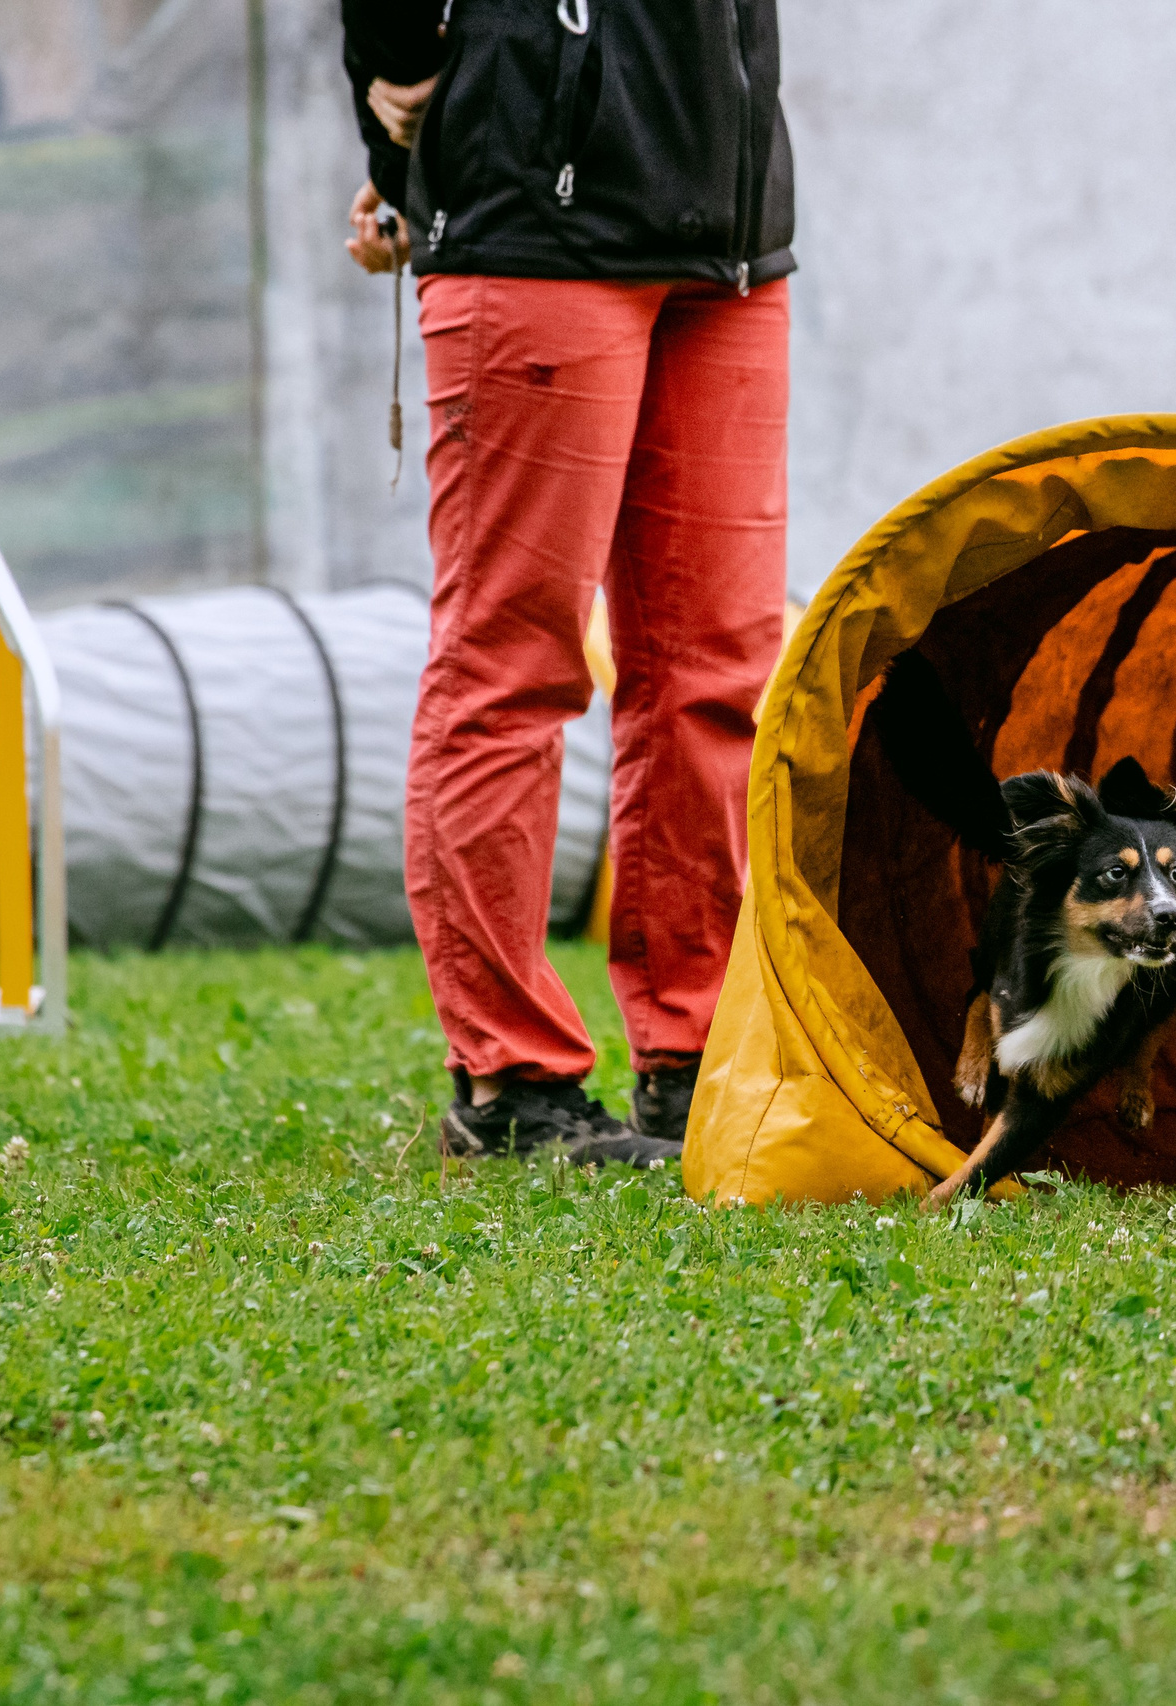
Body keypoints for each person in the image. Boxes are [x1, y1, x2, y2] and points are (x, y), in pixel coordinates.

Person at [340, 0, 796, 1167]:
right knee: (514, 665)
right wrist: (397, 101)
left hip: (729, 236)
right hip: (535, 234)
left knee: (718, 673)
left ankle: (691, 1058)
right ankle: (510, 1082)